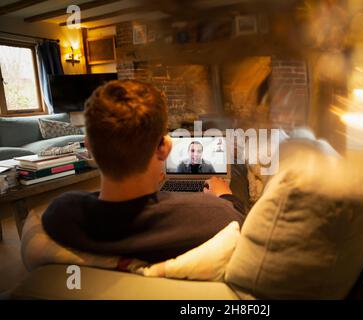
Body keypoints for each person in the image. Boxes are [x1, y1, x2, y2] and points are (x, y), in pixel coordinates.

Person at [42, 80, 249, 263]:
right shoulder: (214, 214)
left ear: (89, 147)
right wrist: (225, 195)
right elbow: (239, 222)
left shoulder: (61, 213)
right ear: (165, 147)